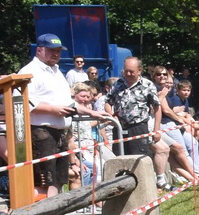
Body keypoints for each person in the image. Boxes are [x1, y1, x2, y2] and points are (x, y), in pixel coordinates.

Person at [22, 34, 96, 201]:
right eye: (51, 50)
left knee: (58, 178)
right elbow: (24, 102)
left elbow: (67, 102)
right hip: (40, 132)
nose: (55, 54)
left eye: (58, 51)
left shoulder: (57, 71)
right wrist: (52, 109)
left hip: (59, 132)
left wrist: (92, 112)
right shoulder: (29, 72)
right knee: (44, 179)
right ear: (39, 50)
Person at [108, 57, 158, 160]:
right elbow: (108, 102)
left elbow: (157, 107)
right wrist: (111, 116)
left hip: (138, 128)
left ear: (139, 70)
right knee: (119, 159)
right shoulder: (118, 84)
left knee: (139, 160)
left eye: (131, 71)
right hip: (119, 128)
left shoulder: (148, 85)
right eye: (126, 71)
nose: (128, 74)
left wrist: (156, 130)